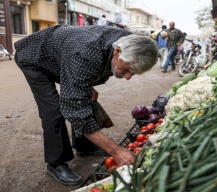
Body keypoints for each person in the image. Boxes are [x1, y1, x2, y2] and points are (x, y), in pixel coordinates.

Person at [14, 25, 158, 186]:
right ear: (117, 51)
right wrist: (115, 150)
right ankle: (56, 163)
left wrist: (87, 86)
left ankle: (84, 146)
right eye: (127, 69)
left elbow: (81, 73)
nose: (128, 77)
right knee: (53, 110)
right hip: (35, 59)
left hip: (64, 56)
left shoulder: (132, 43)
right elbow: (75, 109)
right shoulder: (85, 52)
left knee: (86, 97)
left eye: (134, 73)